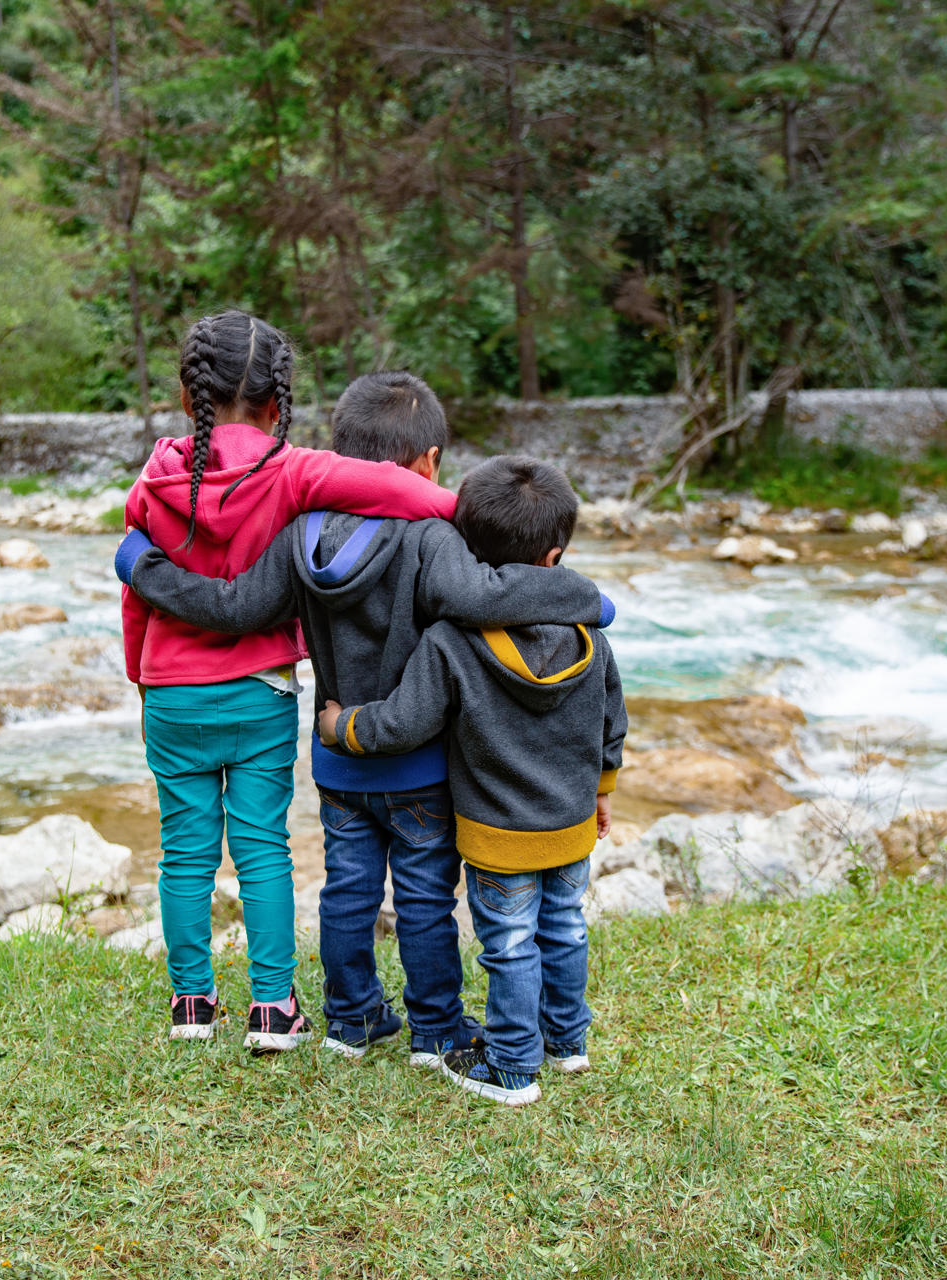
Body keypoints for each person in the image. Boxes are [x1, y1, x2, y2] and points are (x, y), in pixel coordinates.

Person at [116, 372, 613, 1066]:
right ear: (430, 463)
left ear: (341, 453)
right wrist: (580, 598)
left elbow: (235, 609)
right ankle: (435, 1030)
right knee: (422, 898)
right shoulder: (431, 539)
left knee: (347, 890)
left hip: (336, 754)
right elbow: (485, 597)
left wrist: (144, 567)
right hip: (420, 764)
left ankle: (350, 1020)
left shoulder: (300, 535)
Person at [117, 312, 459, 1055]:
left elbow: (135, 595)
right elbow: (416, 496)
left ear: (187, 396)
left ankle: (191, 1004)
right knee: (263, 845)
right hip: (260, 690)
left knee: (183, 849)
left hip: (169, 689)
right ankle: (273, 1009)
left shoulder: (153, 481)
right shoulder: (293, 470)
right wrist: (496, 518)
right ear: (278, 403)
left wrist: (141, 677)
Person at [315, 456, 626, 1106]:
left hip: (496, 835)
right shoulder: (592, 636)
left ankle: (513, 1067)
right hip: (570, 824)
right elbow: (611, 724)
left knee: (510, 945)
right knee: (565, 926)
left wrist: (342, 726)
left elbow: (402, 723)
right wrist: (601, 792)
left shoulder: (454, 641)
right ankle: (567, 1043)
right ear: (556, 554)